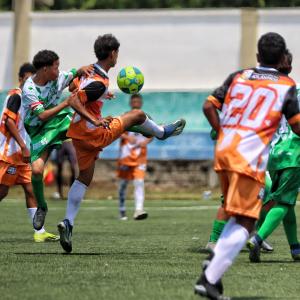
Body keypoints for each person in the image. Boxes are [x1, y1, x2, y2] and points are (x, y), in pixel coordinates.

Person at [194, 32, 300, 299]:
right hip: (247, 157)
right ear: (281, 59)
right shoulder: (286, 85)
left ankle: (213, 271)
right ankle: (208, 277)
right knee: (247, 222)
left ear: (257, 57)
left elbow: (209, 106)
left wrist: (221, 132)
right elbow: (297, 124)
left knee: (234, 214)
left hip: (224, 151)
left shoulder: (238, 76)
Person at [57, 33, 186, 253]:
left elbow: (74, 90)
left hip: (78, 135)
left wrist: (99, 96)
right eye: (118, 53)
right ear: (113, 54)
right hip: (93, 132)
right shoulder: (98, 81)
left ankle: (68, 223)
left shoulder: (89, 74)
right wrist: (95, 117)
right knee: (136, 114)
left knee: (84, 177)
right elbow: (74, 100)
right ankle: (162, 132)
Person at [22, 50, 93, 230]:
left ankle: (133, 124)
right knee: (37, 171)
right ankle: (42, 207)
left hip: (60, 120)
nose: (58, 70)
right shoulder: (29, 89)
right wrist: (66, 103)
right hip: (39, 130)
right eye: (56, 66)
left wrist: (83, 70)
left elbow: (75, 72)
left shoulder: (57, 77)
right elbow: (43, 115)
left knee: (91, 129)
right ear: (45, 69)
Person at [247, 49, 300, 262]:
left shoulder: (274, 96)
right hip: (294, 155)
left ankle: (295, 248)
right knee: (284, 204)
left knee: (285, 203)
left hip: (275, 155)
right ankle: (257, 239)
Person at [0, 63, 58, 242]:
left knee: (31, 189)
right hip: (9, 153)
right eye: (26, 79)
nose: (29, 83)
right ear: (20, 79)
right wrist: (24, 146)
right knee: (2, 192)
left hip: (22, 155)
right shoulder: (16, 96)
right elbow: (9, 122)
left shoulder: (29, 98)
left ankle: (39, 233)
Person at [117, 94, 152, 220]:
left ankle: (139, 210)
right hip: (125, 156)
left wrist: (146, 142)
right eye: (134, 101)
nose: (136, 103)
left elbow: (154, 133)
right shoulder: (124, 116)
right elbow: (116, 131)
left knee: (139, 182)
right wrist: (127, 137)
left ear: (141, 103)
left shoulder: (146, 117)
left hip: (140, 157)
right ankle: (121, 209)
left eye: (138, 101)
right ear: (131, 103)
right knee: (123, 184)